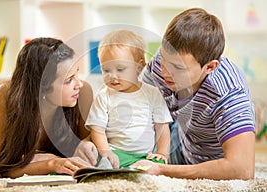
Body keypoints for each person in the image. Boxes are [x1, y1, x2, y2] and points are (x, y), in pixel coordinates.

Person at [133, 8, 256, 180]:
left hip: (213, 163)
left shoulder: (229, 93)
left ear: (210, 67)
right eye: (164, 60)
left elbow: (242, 169)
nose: (165, 72)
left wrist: (162, 170)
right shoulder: (161, 64)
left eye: (178, 68)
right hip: (180, 140)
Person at [0, 37, 98, 178]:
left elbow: (92, 139)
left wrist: (84, 144)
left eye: (77, 73)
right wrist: (51, 164)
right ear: (41, 87)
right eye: (69, 80)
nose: (78, 84)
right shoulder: (5, 95)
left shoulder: (83, 92)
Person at [85, 30, 173, 168]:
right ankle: (114, 168)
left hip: (145, 155)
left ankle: (134, 169)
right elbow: (97, 129)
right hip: (115, 153)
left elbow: (162, 127)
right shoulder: (104, 96)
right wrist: (106, 152)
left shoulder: (153, 93)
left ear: (139, 66)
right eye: (106, 70)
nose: (113, 76)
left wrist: (162, 153)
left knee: (158, 164)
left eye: (120, 69)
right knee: (96, 159)